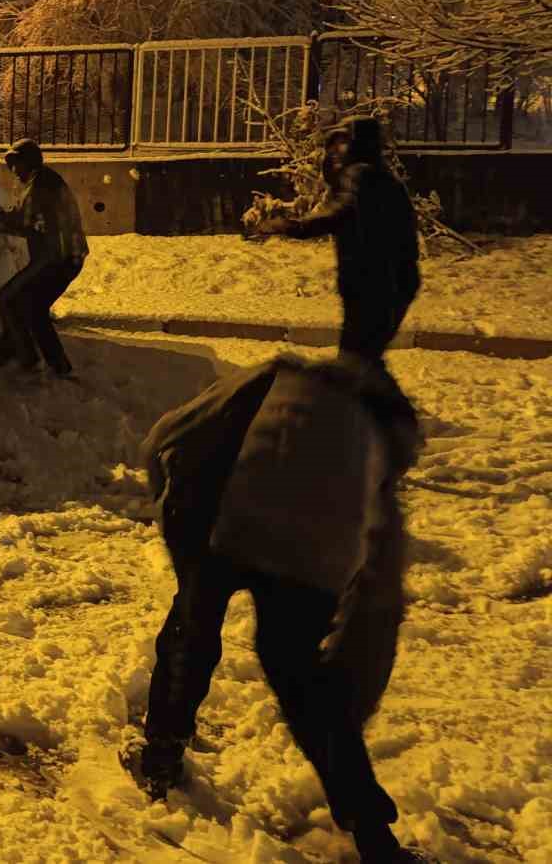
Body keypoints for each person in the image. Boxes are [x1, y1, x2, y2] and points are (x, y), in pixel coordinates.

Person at [124, 353, 433, 864]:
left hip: (227, 518)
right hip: (259, 530)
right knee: (298, 680)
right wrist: (345, 705)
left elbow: (164, 441)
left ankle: (159, 760)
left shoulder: (281, 388)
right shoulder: (361, 447)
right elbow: (373, 603)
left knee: (194, 633)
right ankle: (374, 839)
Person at [255, 116, 420, 362]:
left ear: (358, 143)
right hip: (389, 284)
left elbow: (337, 214)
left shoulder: (360, 176)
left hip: (373, 285)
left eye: (343, 142)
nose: (335, 151)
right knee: (364, 362)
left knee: (355, 363)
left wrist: (290, 225)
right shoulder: (381, 176)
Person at [0, 139, 89, 376]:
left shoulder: (39, 186)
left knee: (8, 299)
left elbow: (21, 221)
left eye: (15, 164)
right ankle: (51, 364)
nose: (13, 171)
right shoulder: (46, 179)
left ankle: (31, 360)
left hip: (56, 259)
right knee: (32, 307)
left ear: (27, 163)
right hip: (64, 257)